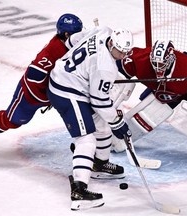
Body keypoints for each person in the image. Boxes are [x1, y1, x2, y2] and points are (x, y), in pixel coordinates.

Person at [47, 27, 133, 210]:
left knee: (102, 125)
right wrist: (118, 123)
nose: (122, 56)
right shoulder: (106, 66)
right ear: (111, 43)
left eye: (125, 52)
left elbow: (74, 40)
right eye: (119, 51)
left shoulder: (104, 31)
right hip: (67, 91)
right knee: (86, 139)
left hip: (70, 81)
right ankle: (79, 191)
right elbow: (99, 100)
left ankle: (99, 164)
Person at [0, 13, 83, 153]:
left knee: (78, 114)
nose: (80, 36)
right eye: (77, 33)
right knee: (13, 121)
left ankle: (86, 148)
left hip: (55, 95)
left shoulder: (70, 44)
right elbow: (33, 74)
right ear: (67, 35)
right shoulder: (52, 52)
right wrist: (51, 89)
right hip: (31, 95)